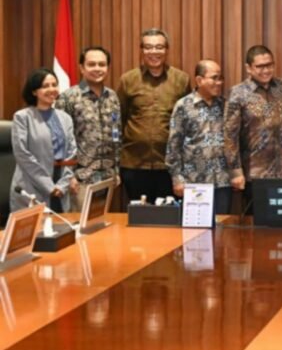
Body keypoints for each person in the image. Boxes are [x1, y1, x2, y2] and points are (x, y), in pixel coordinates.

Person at [224, 45, 282, 211]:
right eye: (260, 66)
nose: (266, 70)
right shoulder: (238, 93)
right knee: (258, 227)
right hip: (255, 174)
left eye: (269, 65)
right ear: (249, 68)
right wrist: (235, 171)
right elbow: (230, 136)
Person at [118, 29, 191, 205]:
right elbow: (120, 118)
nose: (154, 52)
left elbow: (187, 123)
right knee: (139, 219)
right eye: (148, 47)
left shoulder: (181, 80)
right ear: (141, 50)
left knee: (169, 220)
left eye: (159, 47)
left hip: (169, 166)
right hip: (134, 164)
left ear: (166, 50)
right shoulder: (128, 80)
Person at [55, 46, 121, 212]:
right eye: (91, 64)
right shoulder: (68, 98)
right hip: (80, 179)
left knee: (103, 229)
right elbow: (60, 142)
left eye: (102, 64)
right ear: (81, 68)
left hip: (107, 177)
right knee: (81, 230)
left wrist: (116, 170)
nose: (97, 68)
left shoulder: (112, 97)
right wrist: (68, 177)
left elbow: (116, 135)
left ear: (107, 68)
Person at [166, 60, 231, 214]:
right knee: (195, 232)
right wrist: (177, 179)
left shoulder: (225, 105)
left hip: (222, 181)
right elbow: (173, 145)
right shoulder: (183, 106)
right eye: (214, 78)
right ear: (199, 80)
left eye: (221, 78)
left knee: (223, 229)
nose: (219, 82)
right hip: (194, 182)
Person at [9, 68, 77, 213]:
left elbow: (72, 154)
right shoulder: (22, 117)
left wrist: (62, 185)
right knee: (35, 232)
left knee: (61, 231)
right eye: (45, 86)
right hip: (31, 183)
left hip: (60, 184)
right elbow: (22, 154)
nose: (51, 89)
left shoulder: (65, 117)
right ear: (34, 91)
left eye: (54, 85)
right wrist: (49, 186)